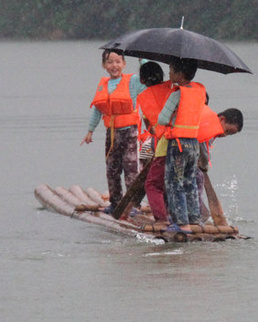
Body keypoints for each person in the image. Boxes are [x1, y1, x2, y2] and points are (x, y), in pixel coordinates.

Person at [82, 49, 143, 214]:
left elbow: (147, 80)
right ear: (104, 65)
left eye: (118, 61)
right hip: (112, 133)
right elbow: (97, 109)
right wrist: (90, 131)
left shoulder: (134, 81)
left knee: (131, 168)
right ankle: (115, 203)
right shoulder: (104, 84)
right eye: (110, 62)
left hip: (130, 132)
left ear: (124, 64)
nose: (114, 65)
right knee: (112, 169)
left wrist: (142, 60)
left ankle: (133, 205)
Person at [156, 59, 207, 233]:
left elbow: (162, 118)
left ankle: (182, 223)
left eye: (171, 69)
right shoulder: (199, 91)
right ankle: (195, 220)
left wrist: (171, 118)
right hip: (194, 143)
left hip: (178, 144)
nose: (169, 73)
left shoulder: (177, 94)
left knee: (174, 182)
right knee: (190, 181)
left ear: (179, 74)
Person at [136, 61, 172, 222]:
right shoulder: (174, 89)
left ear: (142, 81)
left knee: (153, 184)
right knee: (175, 182)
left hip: (164, 145)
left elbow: (151, 129)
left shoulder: (145, 97)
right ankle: (181, 217)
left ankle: (162, 219)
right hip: (186, 143)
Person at [196, 107, 243, 225]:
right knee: (196, 182)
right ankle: (198, 215)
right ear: (222, 119)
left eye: (229, 134)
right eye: (226, 131)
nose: (224, 135)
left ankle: (198, 213)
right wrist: (204, 164)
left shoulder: (209, 122)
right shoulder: (211, 125)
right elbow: (203, 147)